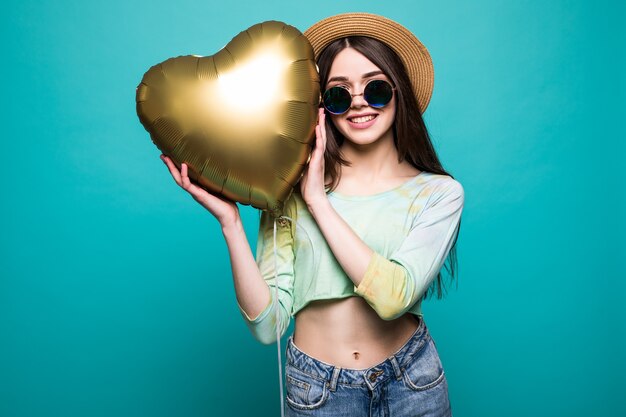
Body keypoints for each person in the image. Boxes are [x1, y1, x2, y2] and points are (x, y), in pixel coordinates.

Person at [161, 12, 464, 417]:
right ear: (322, 109)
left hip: (413, 383)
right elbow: (267, 327)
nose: (358, 102)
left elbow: (394, 297)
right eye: (339, 94)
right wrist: (230, 224)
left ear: (399, 93)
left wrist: (319, 202)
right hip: (318, 391)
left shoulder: (438, 194)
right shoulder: (286, 189)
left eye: (375, 89)